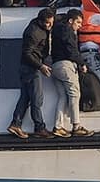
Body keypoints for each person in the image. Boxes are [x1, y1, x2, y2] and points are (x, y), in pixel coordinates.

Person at [8, 8, 56, 139]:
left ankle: (15, 124)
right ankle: (39, 127)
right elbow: (27, 53)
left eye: (52, 23)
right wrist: (40, 66)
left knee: (25, 97)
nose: (50, 26)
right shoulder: (34, 32)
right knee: (37, 98)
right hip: (31, 68)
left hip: (27, 67)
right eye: (47, 23)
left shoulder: (38, 27)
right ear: (41, 21)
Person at [50, 9, 95, 137]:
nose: (80, 25)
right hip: (66, 65)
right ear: (71, 21)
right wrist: (82, 63)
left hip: (55, 65)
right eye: (78, 22)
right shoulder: (68, 31)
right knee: (75, 94)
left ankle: (58, 127)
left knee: (62, 97)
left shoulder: (57, 30)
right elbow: (72, 50)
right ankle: (76, 126)